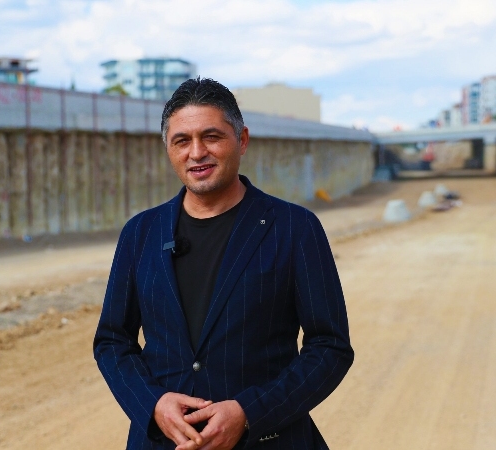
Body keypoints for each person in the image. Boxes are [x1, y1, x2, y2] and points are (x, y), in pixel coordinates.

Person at [93, 78, 354, 449]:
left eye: (211, 137)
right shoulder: (140, 233)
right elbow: (112, 340)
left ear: (242, 140)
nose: (197, 152)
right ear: (168, 149)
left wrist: (250, 413)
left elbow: (329, 347)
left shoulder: (295, 228)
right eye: (182, 141)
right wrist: (153, 404)